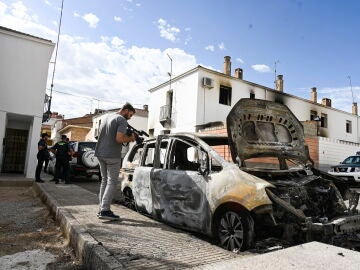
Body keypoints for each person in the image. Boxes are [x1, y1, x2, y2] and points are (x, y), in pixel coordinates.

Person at [95, 102, 136, 220]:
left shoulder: (108, 117)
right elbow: (119, 139)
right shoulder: (122, 120)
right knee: (112, 182)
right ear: (126, 110)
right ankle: (105, 210)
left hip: (100, 153)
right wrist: (131, 138)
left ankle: (101, 209)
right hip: (112, 155)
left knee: (104, 181)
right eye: (131, 114)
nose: (130, 117)